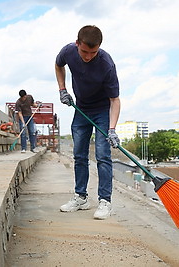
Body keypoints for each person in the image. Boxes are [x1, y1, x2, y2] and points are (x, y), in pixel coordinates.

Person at [55, 25, 120, 220]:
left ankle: (105, 201)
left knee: (102, 155)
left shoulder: (106, 64)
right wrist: (62, 89)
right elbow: (58, 65)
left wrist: (112, 129)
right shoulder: (68, 51)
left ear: (99, 47)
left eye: (93, 52)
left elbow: (114, 100)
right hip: (81, 108)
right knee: (79, 155)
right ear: (77, 44)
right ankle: (81, 197)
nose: (88, 56)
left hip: (102, 110)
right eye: (84, 51)